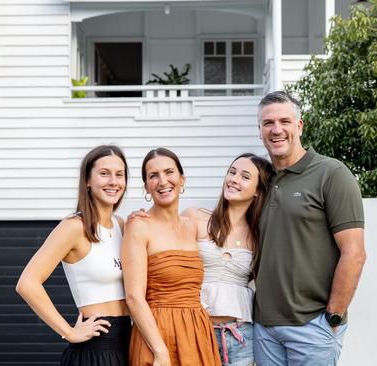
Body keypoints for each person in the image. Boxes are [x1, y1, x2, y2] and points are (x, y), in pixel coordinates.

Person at [253, 91, 367, 366]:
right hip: (264, 330)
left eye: (285, 121)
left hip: (312, 327)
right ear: (259, 131)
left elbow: (354, 253)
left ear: (299, 126)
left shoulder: (331, 174)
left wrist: (333, 317)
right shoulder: (262, 181)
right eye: (268, 123)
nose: (276, 130)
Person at [16, 145, 131, 366]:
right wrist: (68, 332)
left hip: (128, 341)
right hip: (97, 348)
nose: (113, 181)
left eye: (119, 174)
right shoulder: (74, 227)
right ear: (87, 180)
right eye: (104, 173)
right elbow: (27, 283)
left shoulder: (121, 225)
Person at [122, 147, 221, 366]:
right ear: (147, 186)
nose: (162, 181)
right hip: (157, 333)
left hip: (197, 333)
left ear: (182, 179)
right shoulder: (139, 226)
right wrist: (160, 351)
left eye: (169, 172)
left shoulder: (192, 226)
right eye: (153, 176)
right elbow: (134, 298)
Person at [182, 153, 272, 366]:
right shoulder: (194, 217)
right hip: (196, 332)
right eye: (232, 172)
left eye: (245, 176)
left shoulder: (258, 235)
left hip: (241, 337)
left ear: (258, 192)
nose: (234, 179)